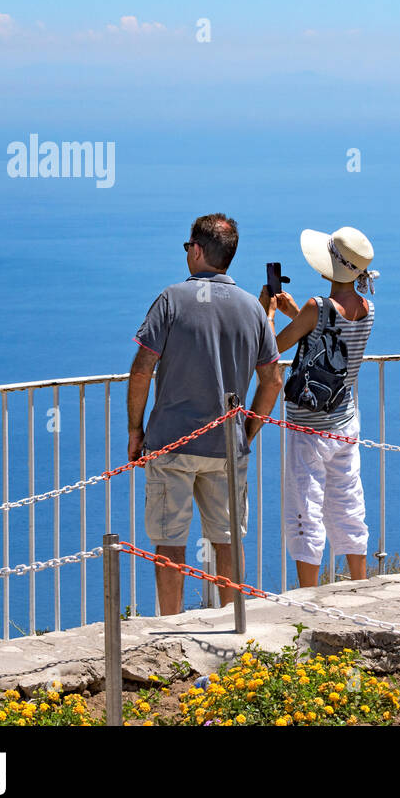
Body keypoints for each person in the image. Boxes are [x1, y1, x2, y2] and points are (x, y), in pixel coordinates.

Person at [128, 214, 283, 616]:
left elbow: (142, 368)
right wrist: (247, 433)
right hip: (226, 446)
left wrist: (135, 431)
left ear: (196, 250)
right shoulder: (252, 308)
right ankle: (234, 624)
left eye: (187, 247)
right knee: (227, 540)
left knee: (170, 541)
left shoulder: (171, 299)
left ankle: (170, 628)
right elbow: (273, 381)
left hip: (171, 442)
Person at [261, 226, 378, 588]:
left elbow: (270, 350)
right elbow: (330, 338)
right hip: (344, 422)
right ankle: (360, 583)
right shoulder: (367, 309)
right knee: (347, 502)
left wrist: (268, 311)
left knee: (305, 508)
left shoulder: (316, 307)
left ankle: (309, 595)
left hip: (309, 427)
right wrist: (294, 310)